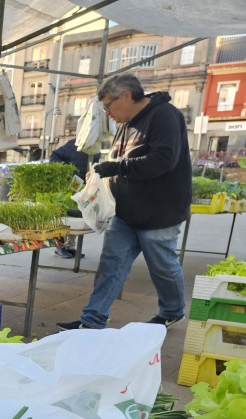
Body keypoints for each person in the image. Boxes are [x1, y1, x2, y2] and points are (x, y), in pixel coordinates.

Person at [57, 74, 190, 331]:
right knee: (110, 265)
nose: (107, 113)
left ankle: (173, 311)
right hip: (126, 211)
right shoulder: (125, 124)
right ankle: (92, 319)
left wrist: (115, 168)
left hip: (159, 211)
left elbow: (164, 160)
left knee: (162, 266)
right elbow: (119, 161)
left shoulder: (164, 115)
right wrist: (100, 173)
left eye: (108, 105)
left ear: (126, 95)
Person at [49, 139, 94, 259]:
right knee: (63, 216)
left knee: (74, 216)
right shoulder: (74, 143)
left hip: (82, 187)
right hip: (69, 185)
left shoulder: (96, 147)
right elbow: (54, 155)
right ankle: (59, 247)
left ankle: (70, 247)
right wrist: (66, 171)